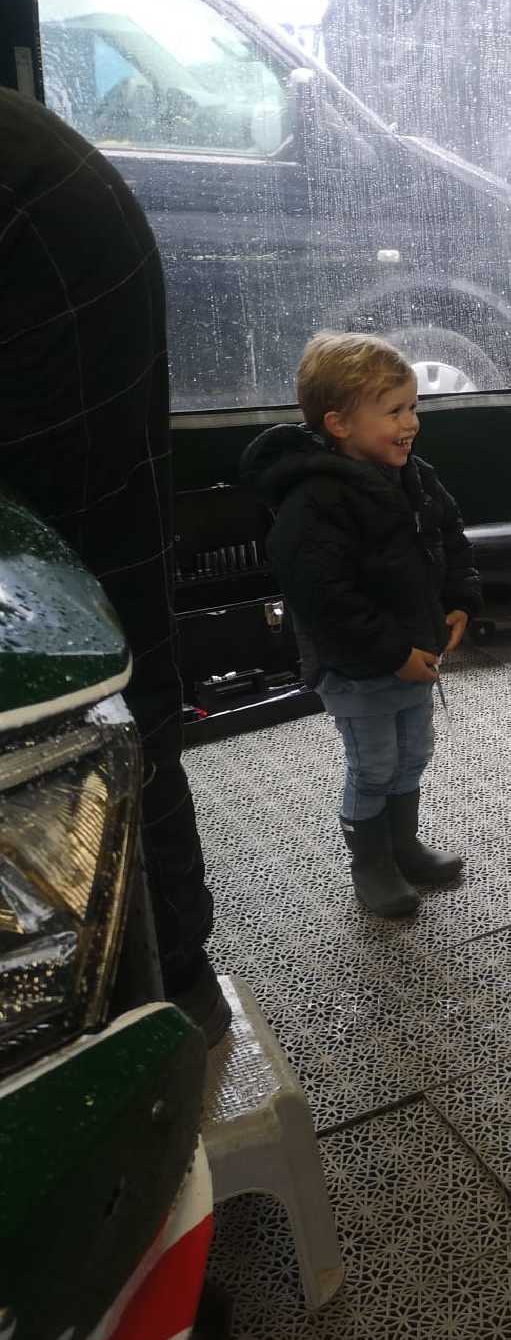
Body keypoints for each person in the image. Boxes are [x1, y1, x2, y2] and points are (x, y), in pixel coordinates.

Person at [0, 88, 227, 1042]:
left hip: (47, 262)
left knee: (91, 682)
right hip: (61, 242)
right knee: (113, 665)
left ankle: (153, 992)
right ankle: (167, 979)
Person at [241, 333, 483, 918]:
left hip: (415, 654)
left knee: (413, 753)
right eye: (394, 411)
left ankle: (403, 846)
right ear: (339, 424)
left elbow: (450, 537)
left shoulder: (415, 476)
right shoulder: (313, 501)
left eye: (413, 407)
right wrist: (392, 653)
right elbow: (325, 600)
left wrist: (459, 601)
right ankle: (371, 864)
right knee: (373, 765)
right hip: (355, 666)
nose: (411, 423)